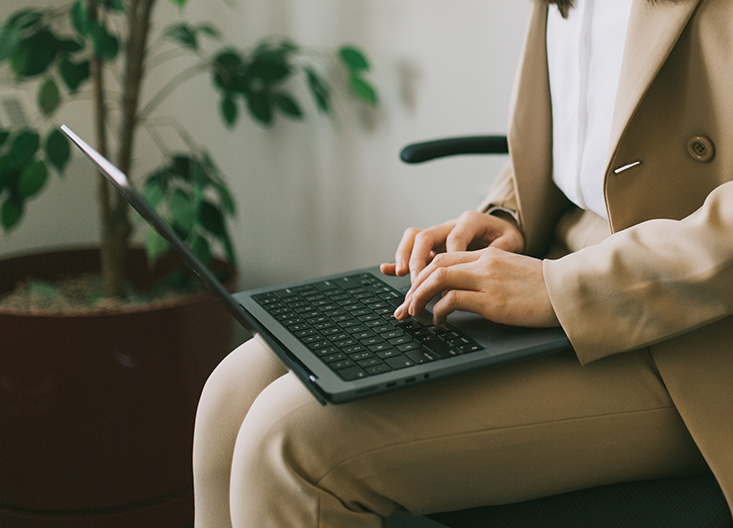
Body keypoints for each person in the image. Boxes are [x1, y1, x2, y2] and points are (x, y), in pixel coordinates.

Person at [192, 0, 733, 526]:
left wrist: (562, 287)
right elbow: (596, 128)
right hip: (557, 257)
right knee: (233, 392)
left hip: (694, 326)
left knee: (288, 442)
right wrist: (510, 213)